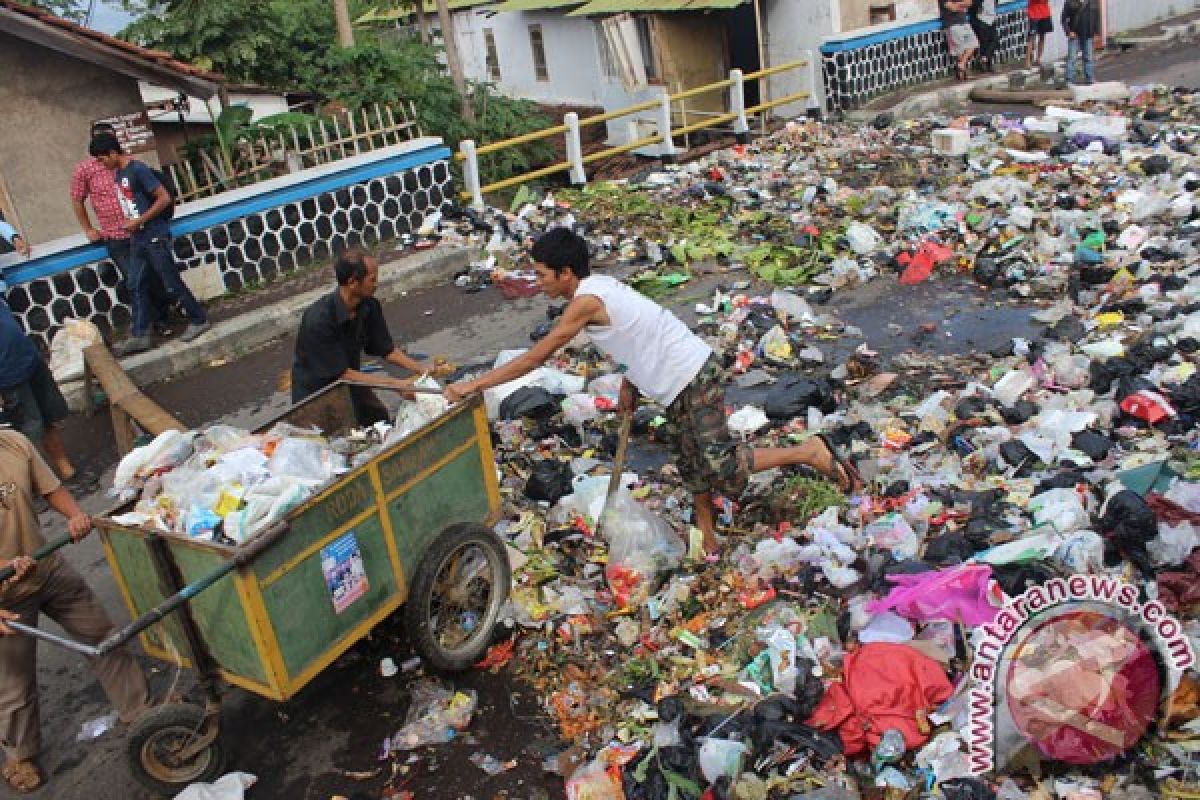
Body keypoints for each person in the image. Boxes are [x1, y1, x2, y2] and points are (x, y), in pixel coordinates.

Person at [445, 228, 862, 555]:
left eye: (540, 274)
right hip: (669, 382)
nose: (537, 283)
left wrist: (474, 385)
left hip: (691, 374)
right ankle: (707, 532)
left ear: (565, 273)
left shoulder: (585, 303)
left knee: (719, 465)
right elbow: (637, 333)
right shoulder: (600, 287)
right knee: (687, 458)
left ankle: (808, 451)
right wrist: (631, 383)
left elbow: (535, 359)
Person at [0, 429, 150, 793]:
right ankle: (20, 755)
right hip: (6, 597)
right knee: (15, 683)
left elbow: (50, 488)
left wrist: (75, 515)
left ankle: (140, 713)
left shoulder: (13, 443)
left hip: (47, 567)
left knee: (104, 637)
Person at [92, 134, 210, 356]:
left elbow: (163, 198)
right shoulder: (119, 174)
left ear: (113, 153)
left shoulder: (138, 170)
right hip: (138, 239)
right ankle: (140, 334)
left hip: (154, 235)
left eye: (102, 158)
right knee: (135, 284)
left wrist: (140, 221)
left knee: (171, 281)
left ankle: (198, 318)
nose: (101, 164)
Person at [291, 248, 428, 424]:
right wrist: (394, 384)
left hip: (351, 381)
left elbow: (386, 349)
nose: (377, 284)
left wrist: (421, 369)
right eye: (372, 279)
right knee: (338, 441)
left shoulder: (369, 306)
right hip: (318, 393)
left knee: (378, 419)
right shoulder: (317, 320)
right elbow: (339, 374)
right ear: (353, 282)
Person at [72, 125, 175, 338]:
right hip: (116, 237)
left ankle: (164, 318)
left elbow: (156, 192)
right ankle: (148, 326)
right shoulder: (85, 170)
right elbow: (77, 199)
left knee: (156, 276)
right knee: (135, 280)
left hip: (143, 231)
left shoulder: (129, 165)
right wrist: (89, 229)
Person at [0, 295, 75, 481]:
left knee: (50, 418)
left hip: (30, 361)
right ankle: (38, 483)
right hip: (9, 379)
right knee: (29, 432)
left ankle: (64, 467)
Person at [939, 0, 980, 82]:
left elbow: (970, 3)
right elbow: (953, 8)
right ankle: (962, 74)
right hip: (952, 25)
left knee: (974, 43)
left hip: (964, 22)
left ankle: (961, 64)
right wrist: (962, 5)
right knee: (960, 50)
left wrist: (959, 4)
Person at [1062, 0, 1101, 86]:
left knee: (1089, 57)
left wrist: (1097, 32)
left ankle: (1089, 78)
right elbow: (1063, 19)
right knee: (1072, 58)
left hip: (1088, 34)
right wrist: (1068, 32)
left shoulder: (1093, 2)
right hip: (1075, 34)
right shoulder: (1069, 2)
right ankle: (1069, 80)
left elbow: (1097, 17)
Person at [970, 0, 999, 73]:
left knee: (994, 41)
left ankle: (984, 59)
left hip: (991, 19)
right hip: (981, 20)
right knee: (984, 43)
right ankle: (986, 64)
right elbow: (974, 5)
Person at [1026, 0, 1053, 68]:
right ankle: (1028, 61)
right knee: (1031, 38)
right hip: (1034, 13)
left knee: (1042, 36)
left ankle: (1038, 59)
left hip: (1045, 13)